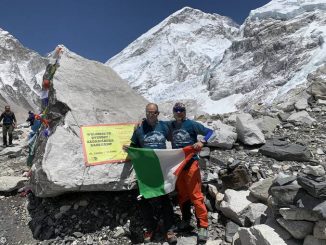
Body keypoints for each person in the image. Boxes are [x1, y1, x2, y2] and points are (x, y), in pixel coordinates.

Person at [124, 103, 177, 244]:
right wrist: (129, 150)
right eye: (148, 112)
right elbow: (134, 147)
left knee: (165, 199)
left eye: (153, 112)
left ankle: (168, 229)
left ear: (158, 113)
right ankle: (150, 227)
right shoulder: (139, 129)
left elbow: (173, 141)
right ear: (145, 112)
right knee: (143, 199)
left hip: (161, 169)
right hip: (145, 171)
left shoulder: (164, 127)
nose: (150, 115)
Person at [168, 102, 214, 242]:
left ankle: (203, 226)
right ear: (173, 112)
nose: (179, 112)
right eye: (176, 110)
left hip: (191, 163)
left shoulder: (192, 124)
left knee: (196, 196)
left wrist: (202, 142)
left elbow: (210, 132)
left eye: (181, 110)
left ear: (185, 112)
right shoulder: (171, 125)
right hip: (178, 166)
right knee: (183, 195)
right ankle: (186, 220)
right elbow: (158, 128)